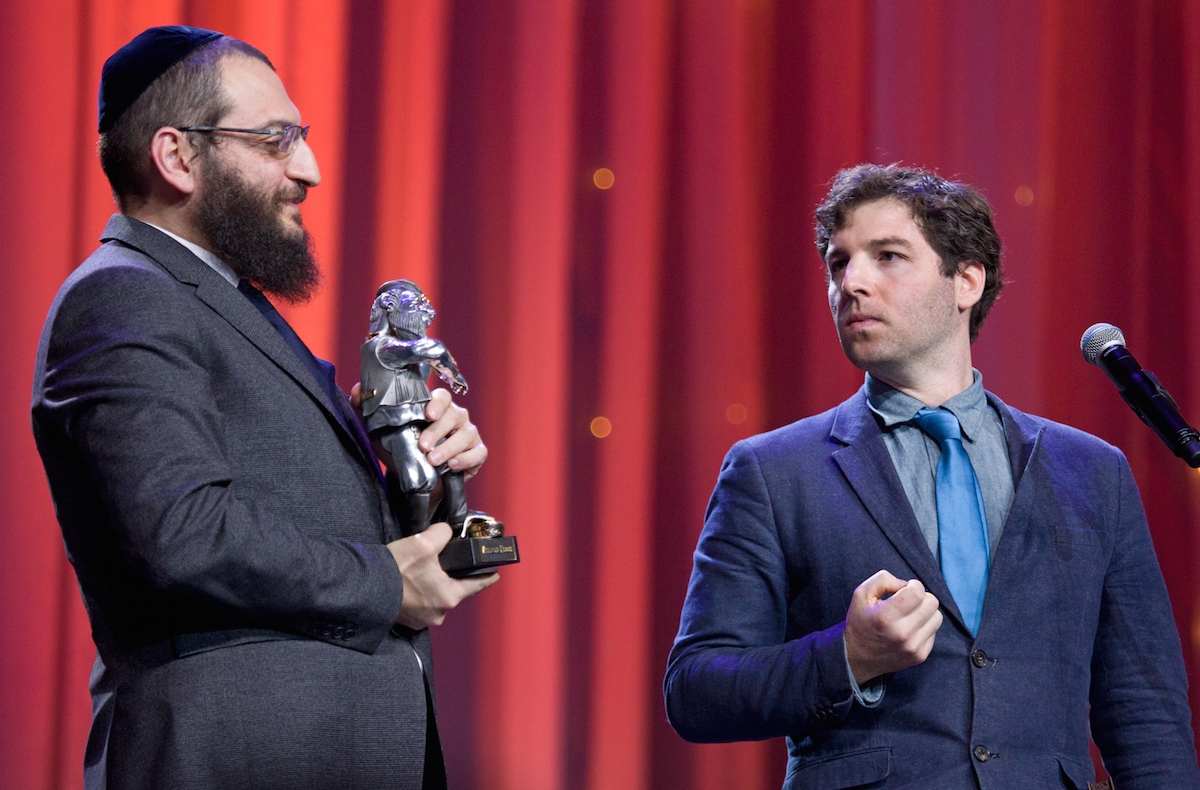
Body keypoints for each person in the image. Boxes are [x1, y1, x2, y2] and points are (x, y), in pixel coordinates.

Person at [31, 26, 497, 790]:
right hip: (232, 755)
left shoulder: (222, 305)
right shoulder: (123, 297)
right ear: (178, 157)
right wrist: (385, 580)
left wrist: (423, 468)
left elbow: (327, 526)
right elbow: (180, 534)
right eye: (276, 139)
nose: (308, 169)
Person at [664, 163, 1200, 788]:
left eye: (887, 256)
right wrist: (847, 657)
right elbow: (696, 689)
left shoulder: (1092, 471)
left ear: (966, 280)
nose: (852, 282)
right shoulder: (772, 470)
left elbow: (1145, 714)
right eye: (839, 263)